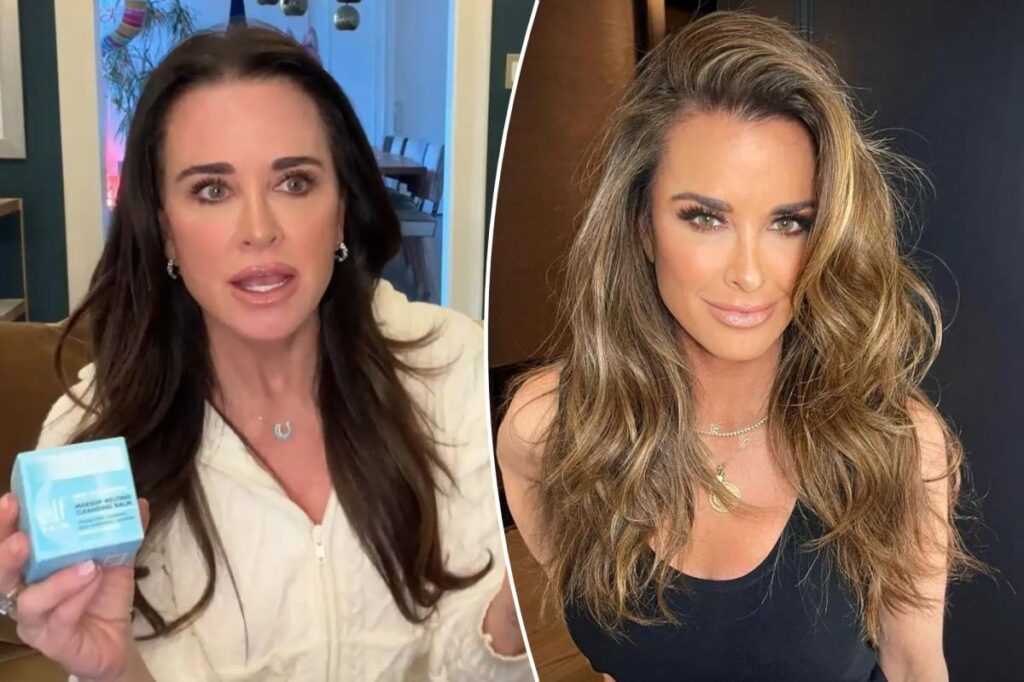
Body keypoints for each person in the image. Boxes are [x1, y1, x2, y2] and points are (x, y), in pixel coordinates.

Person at [0, 25, 530, 682]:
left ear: (341, 209)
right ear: (165, 229)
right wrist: (115, 670)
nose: (259, 230)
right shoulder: (91, 441)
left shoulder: (457, 371)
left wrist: (516, 616)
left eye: (294, 182)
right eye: (211, 190)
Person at [498, 12, 979, 682]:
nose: (749, 274)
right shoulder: (546, 430)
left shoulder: (894, 448)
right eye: (705, 217)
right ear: (642, 227)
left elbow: (915, 664)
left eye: (789, 223)